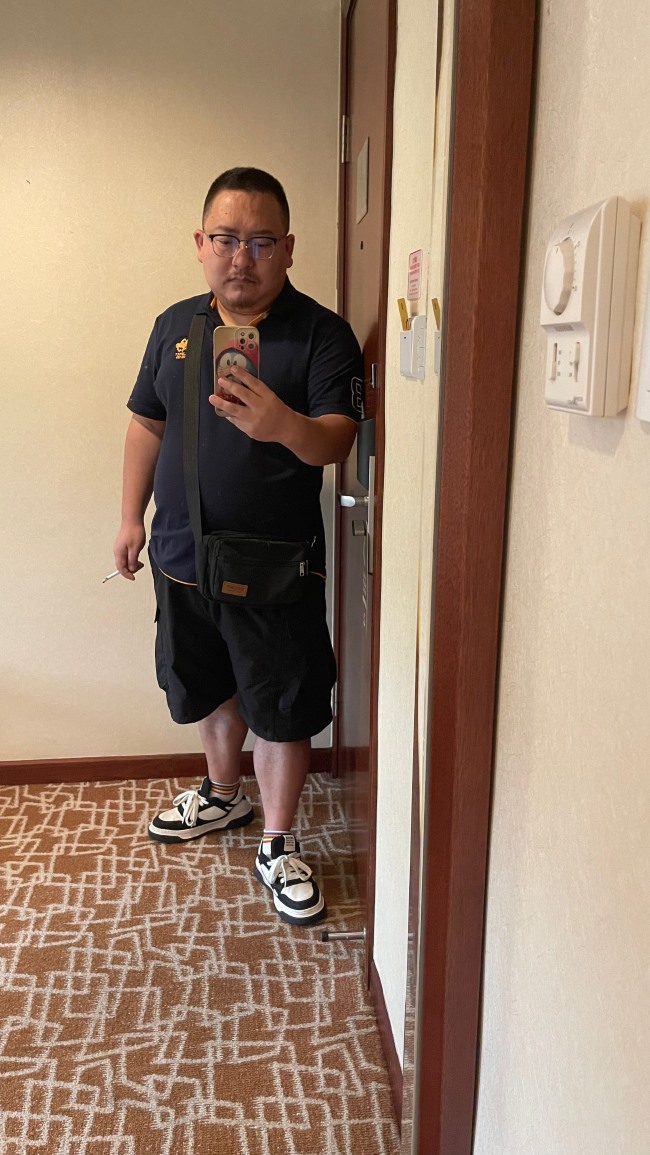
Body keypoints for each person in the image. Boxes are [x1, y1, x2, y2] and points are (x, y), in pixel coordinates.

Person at [113, 167, 362, 927]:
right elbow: (146, 423)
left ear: (288, 248)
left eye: (260, 241)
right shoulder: (175, 327)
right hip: (183, 556)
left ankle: (279, 842)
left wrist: (281, 424)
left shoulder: (321, 334)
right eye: (225, 239)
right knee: (206, 685)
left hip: (274, 567)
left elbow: (337, 439)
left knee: (282, 704)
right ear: (201, 243)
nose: (241, 258)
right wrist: (129, 518)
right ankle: (224, 795)